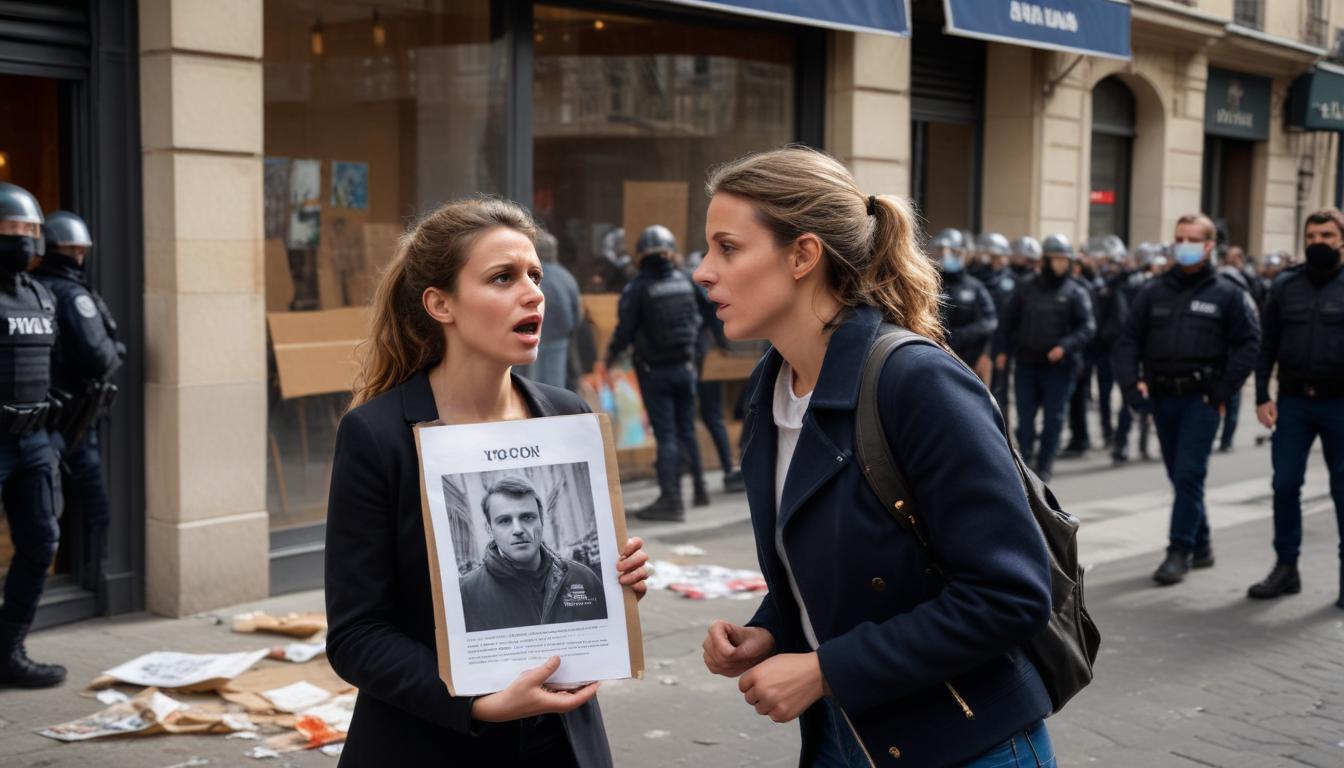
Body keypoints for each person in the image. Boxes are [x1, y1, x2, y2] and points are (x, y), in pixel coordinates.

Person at [695, 147, 1055, 768]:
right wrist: (771, 630)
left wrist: (826, 668)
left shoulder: (915, 382)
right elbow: (840, 569)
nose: (703, 271)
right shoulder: (772, 387)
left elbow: (1012, 594)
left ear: (803, 255)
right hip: (845, 737)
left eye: (727, 248)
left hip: (966, 743)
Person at [324, 198, 650, 766]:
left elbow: (589, 603)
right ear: (440, 304)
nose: (533, 293)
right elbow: (356, 635)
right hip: (430, 741)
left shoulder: (566, 415)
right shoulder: (376, 435)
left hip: (561, 741)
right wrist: (477, 704)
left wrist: (617, 585)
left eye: (534, 276)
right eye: (503, 278)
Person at [1113, 213, 1260, 586]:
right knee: (1180, 475)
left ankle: (1179, 551)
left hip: (1203, 399)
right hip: (1162, 398)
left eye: (1193, 239)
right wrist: (1132, 385)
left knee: (1189, 474)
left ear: (1209, 246)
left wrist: (1223, 389)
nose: (1185, 245)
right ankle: (1203, 542)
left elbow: (1249, 343)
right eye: (1180, 238)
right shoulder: (1153, 291)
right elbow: (1128, 341)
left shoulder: (1228, 293)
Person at [1250, 208, 1344, 607]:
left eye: (1326, 235)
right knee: (1285, 485)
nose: (1318, 242)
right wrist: (1261, 394)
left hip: (1340, 403)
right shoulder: (1286, 285)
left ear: (1342, 240)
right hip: (1291, 403)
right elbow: (1266, 342)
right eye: (1312, 236)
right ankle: (1286, 567)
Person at [32, 211, 124, 584]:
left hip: (45, 419)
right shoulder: (72, 295)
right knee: (92, 508)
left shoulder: (32, 287)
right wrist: (118, 349)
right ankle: (90, 580)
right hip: (71, 422)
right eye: (74, 250)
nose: (80, 257)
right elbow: (100, 357)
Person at [0, 182, 63, 689]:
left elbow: (57, 366)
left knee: (41, 542)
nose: (22, 239)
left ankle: (9, 649)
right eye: (11, 228)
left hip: (35, 439)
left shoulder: (41, 295)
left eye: (30, 230)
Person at [606, 224, 708, 521]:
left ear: (641, 256)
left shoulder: (639, 287)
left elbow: (626, 328)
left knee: (667, 437)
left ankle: (672, 502)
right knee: (687, 430)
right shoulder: (686, 280)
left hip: (656, 372)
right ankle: (700, 490)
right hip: (686, 368)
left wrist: (612, 355)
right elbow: (705, 317)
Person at [998, 233, 1096, 482]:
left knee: (1054, 418)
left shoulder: (1076, 291)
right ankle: (1025, 461)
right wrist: (1000, 352)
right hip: (1027, 365)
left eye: (1066, 260)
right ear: (1045, 260)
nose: (1062, 264)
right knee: (1026, 419)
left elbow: (1087, 327)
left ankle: (1044, 466)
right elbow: (1007, 322)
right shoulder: (1026, 287)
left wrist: (1065, 347)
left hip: (1059, 368)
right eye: (1057, 259)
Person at [460, 475, 607, 632]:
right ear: (489, 530)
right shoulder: (465, 595)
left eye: (527, 517)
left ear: (541, 521)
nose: (518, 530)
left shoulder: (584, 578)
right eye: (504, 521)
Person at [516, 231, 581, 390]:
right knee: (553, 386)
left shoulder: (528, 275)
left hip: (528, 337)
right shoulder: (566, 276)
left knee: (529, 386)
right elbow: (576, 313)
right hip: (559, 338)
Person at [991, 236, 1041, 432]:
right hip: (1007, 340)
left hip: (1028, 344)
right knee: (1001, 389)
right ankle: (1005, 429)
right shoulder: (1005, 280)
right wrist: (1001, 349)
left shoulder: (1037, 281)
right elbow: (1003, 319)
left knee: (1028, 393)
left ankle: (1027, 429)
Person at [1111, 242, 1154, 464]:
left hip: (1144, 346)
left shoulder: (1150, 283)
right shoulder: (1141, 283)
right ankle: (1125, 444)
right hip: (1135, 345)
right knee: (1133, 397)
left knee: (1135, 397)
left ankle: (1126, 444)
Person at [934, 229, 997, 378]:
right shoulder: (931, 284)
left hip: (970, 358)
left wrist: (962, 335)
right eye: (942, 251)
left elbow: (990, 321)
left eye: (953, 252)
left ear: (964, 254)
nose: (946, 256)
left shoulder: (975, 287)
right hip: (937, 356)